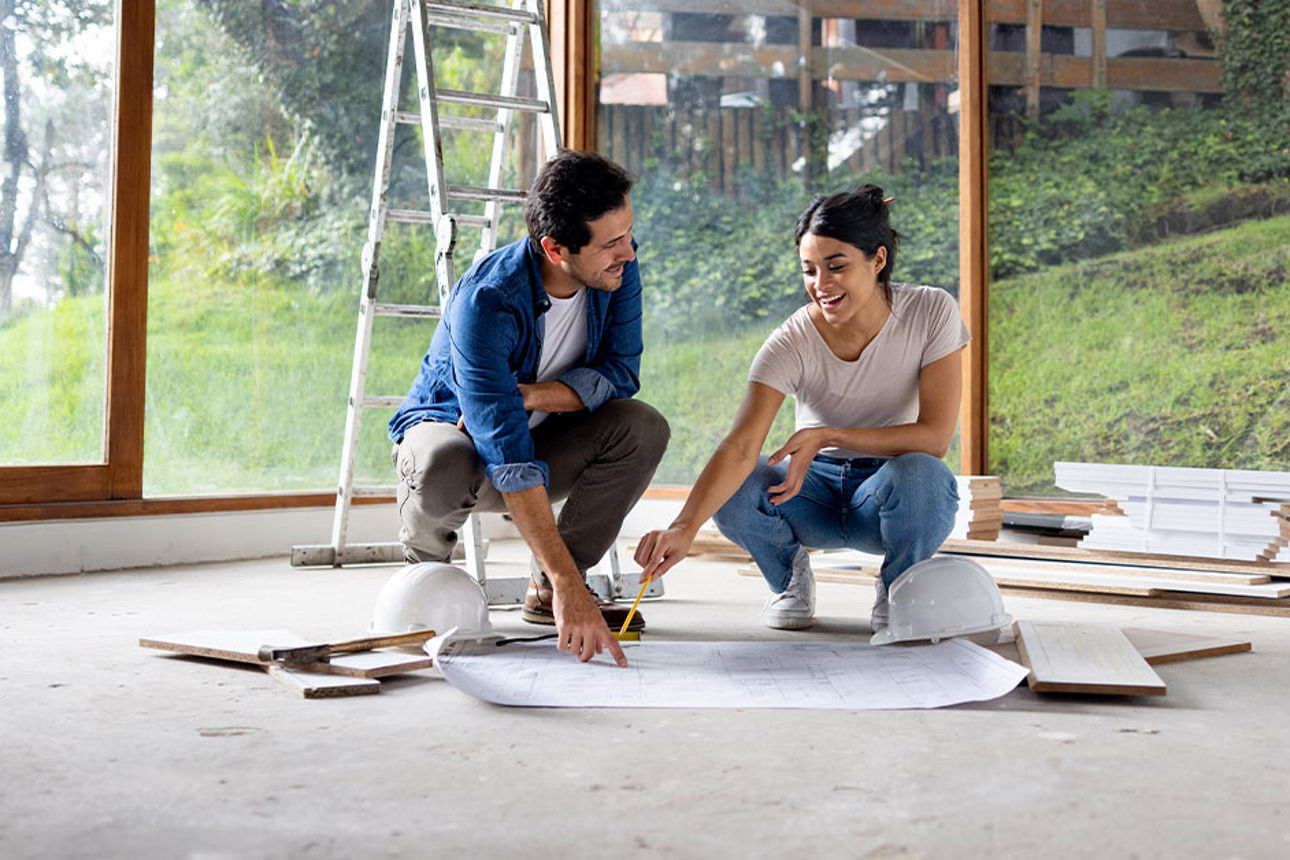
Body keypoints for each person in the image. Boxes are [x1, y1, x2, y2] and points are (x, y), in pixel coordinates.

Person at [633, 184, 966, 632]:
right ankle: (787, 578)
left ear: (878, 260)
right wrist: (683, 527)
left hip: (890, 495)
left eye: (836, 267)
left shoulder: (931, 311)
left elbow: (935, 437)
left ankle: (897, 587)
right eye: (809, 270)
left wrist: (828, 435)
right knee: (741, 481)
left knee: (926, 476)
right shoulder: (791, 342)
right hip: (809, 493)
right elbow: (739, 445)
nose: (820, 285)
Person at [389, 150, 670, 666]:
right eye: (611, 243)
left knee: (642, 427)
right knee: (440, 462)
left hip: (543, 435)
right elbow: (507, 451)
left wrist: (532, 394)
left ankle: (548, 591)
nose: (628, 252)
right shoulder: (487, 300)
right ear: (555, 247)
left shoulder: (616, 270)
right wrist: (574, 587)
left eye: (628, 234)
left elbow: (621, 373)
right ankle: (421, 579)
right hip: (462, 443)